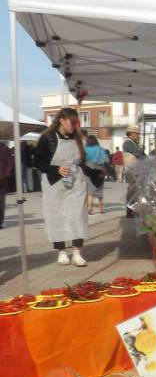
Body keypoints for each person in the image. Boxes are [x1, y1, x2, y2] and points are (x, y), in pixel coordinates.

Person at [32, 107, 92, 267]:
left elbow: (82, 161)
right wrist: (55, 168)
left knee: (77, 215)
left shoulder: (78, 138)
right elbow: (36, 161)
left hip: (76, 184)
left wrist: (94, 173)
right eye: (71, 123)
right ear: (61, 120)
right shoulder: (47, 138)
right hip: (54, 184)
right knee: (56, 216)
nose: (73, 126)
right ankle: (61, 251)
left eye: (75, 123)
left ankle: (77, 252)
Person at [122, 127, 145, 217]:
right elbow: (138, 153)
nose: (138, 135)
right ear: (131, 133)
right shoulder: (128, 143)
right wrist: (142, 149)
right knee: (132, 190)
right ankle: (130, 211)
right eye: (136, 133)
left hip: (134, 169)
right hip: (131, 170)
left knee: (134, 190)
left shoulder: (133, 143)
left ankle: (132, 210)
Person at [84, 135, 108, 214]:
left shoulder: (85, 149)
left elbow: (81, 159)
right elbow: (106, 160)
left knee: (89, 191)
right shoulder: (101, 149)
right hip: (100, 170)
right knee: (100, 190)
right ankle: (101, 209)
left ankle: (89, 208)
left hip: (88, 170)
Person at [0, 143, 12, 229]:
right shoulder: (5, 148)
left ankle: (0, 222)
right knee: (1, 201)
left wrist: (4, 176)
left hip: (3, 179)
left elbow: (9, 164)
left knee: (1, 202)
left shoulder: (4, 148)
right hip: (4, 178)